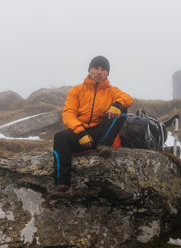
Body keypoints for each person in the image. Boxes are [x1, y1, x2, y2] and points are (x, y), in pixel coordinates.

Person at [52, 55, 133, 193]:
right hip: (81, 135)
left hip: (101, 135)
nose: (99, 72)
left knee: (122, 109)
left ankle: (103, 145)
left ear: (107, 73)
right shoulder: (77, 90)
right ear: (90, 70)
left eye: (103, 69)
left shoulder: (112, 91)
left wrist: (117, 103)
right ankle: (62, 184)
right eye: (96, 68)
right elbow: (68, 113)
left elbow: (128, 98)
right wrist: (80, 132)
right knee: (60, 137)